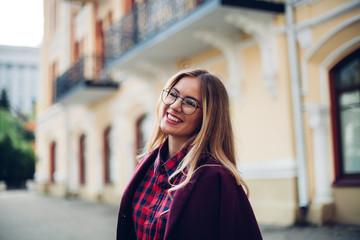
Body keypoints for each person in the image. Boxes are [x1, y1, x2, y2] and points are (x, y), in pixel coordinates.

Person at [116, 69, 262, 240]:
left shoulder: (216, 178)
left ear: (208, 117)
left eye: (190, 103)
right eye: (173, 94)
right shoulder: (146, 166)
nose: (175, 105)